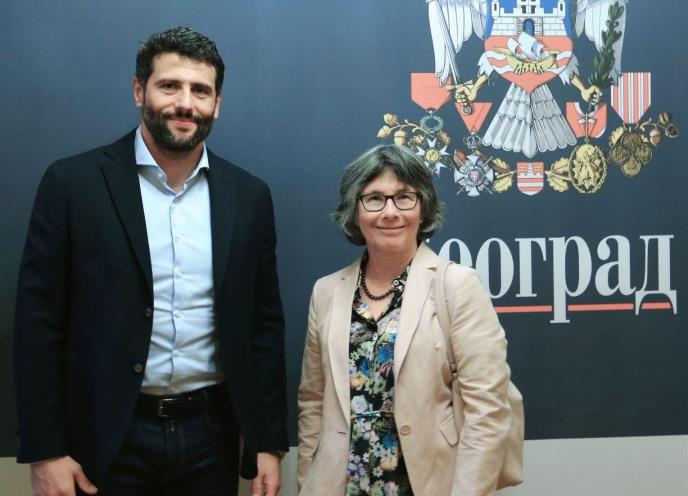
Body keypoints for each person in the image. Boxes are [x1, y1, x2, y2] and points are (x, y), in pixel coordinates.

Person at [15, 27, 288, 496]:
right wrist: (46, 451)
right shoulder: (73, 184)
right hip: (105, 438)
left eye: (200, 90)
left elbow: (264, 326)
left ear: (217, 103)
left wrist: (267, 442)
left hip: (212, 437)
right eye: (169, 86)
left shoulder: (249, 196)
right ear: (139, 91)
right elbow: (38, 325)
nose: (185, 103)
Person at [297, 145, 515, 495]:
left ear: (422, 207)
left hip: (427, 484)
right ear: (354, 210)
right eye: (374, 199)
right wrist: (308, 478)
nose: (390, 212)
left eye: (404, 198)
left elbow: (487, 411)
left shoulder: (457, 286)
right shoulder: (326, 292)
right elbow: (313, 400)